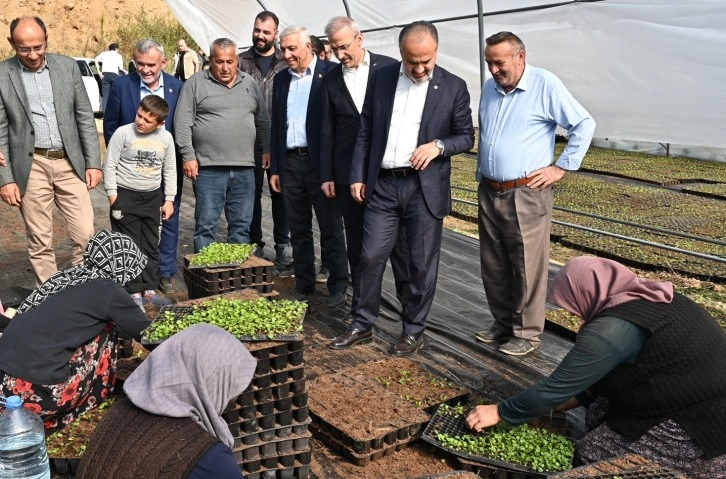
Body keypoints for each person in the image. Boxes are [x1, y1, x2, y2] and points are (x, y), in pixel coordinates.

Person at [466, 256, 726, 478]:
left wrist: (500, 411)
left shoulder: (611, 329)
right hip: (684, 388)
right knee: (598, 409)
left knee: (591, 453)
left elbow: (555, 388)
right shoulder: (649, 297)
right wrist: (580, 395)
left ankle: (701, 467)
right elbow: (616, 371)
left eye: (571, 304)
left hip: (704, 423)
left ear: (584, 293)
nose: (574, 314)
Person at [329, 21, 474, 356]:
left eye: (427, 61)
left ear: (435, 51)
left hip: (422, 189)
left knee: (420, 264)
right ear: (401, 54)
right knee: (369, 255)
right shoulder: (381, 78)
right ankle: (362, 322)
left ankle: (413, 330)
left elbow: (466, 135)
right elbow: (365, 129)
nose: (420, 68)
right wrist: (357, 175)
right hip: (382, 184)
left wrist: (438, 145)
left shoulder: (453, 86)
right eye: (413, 62)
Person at [474, 31, 596, 356]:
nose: (494, 70)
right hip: (489, 190)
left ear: (520, 57)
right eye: (489, 63)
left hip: (526, 193)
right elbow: (487, 133)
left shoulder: (545, 85)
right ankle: (501, 323)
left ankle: (526, 333)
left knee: (527, 263)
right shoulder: (489, 88)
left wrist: (561, 167)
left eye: (499, 63)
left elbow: (584, 124)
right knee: (493, 262)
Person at [0, 230, 149, 432]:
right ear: (121, 265)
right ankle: (95, 393)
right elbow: (148, 334)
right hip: (42, 396)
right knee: (107, 328)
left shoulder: (65, 278)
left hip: (6, 388)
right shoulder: (107, 290)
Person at [77, 323, 255, 478]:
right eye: (232, 390)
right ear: (211, 382)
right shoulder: (210, 460)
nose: (233, 398)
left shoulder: (119, 411)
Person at [0, 16, 102, 285]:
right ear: (12, 43)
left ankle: (81, 286)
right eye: (24, 49)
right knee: (40, 239)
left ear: (47, 39)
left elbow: (84, 117)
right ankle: (51, 298)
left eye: (38, 46)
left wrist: (93, 162)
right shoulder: (2, 74)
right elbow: (0, 128)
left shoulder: (67, 67)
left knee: (85, 233)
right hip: (30, 167)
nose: (33, 54)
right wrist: (6, 179)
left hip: (70, 163)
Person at [319, 16, 410, 310]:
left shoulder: (390, 68)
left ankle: (407, 306)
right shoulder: (331, 78)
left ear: (360, 39)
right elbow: (327, 130)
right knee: (357, 244)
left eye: (344, 47)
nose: (339, 54)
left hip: (387, 170)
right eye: (334, 49)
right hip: (347, 172)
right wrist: (327, 173)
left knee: (399, 246)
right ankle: (361, 308)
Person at [269, 26, 348, 308]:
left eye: (291, 49)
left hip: (320, 164)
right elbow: (277, 125)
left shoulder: (331, 73)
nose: (286, 54)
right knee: (298, 227)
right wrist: (275, 168)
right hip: (290, 162)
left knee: (331, 226)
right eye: (283, 49)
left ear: (308, 47)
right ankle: (304, 283)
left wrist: (332, 168)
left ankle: (339, 285)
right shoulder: (281, 80)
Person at [104, 38, 184, 295]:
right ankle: (132, 284)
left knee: (165, 225)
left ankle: (164, 273)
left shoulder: (177, 87)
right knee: (131, 233)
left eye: (151, 64)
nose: (146, 69)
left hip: (162, 171)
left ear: (164, 62)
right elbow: (111, 126)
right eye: (140, 64)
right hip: (129, 178)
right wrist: (117, 183)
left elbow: (180, 127)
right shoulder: (121, 85)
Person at [175, 37, 271, 253]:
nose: (225, 67)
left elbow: (262, 120)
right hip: (209, 169)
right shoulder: (196, 83)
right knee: (206, 226)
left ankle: (236, 277)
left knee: (241, 227)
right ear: (211, 60)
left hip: (245, 169)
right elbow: (182, 123)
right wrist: (188, 156)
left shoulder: (249, 83)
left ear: (237, 60)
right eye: (219, 62)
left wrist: (267, 148)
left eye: (230, 61)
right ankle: (207, 278)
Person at [104, 96, 176, 311]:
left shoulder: (166, 139)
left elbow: (170, 170)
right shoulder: (123, 133)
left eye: (148, 120)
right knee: (130, 246)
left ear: (160, 123)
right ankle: (133, 291)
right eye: (140, 115)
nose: (141, 122)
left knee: (151, 244)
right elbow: (109, 165)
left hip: (152, 197)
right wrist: (113, 196)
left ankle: (150, 289)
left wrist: (169, 199)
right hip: (126, 196)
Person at [238, 11, 294, 273]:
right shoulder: (241, 62)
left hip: (280, 138)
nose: (260, 35)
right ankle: (254, 241)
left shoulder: (286, 62)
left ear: (276, 34)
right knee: (251, 192)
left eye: (266, 32)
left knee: (280, 191)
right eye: (257, 30)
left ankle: (284, 244)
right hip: (249, 138)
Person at [94, 42, 124, 112]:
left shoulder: (104, 53)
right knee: (114, 95)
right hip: (114, 75)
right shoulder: (118, 56)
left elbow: (96, 59)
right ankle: (113, 114)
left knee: (105, 95)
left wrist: (99, 72)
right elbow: (121, 68)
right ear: (116, 49)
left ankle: (105, 115)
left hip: (105, 75)